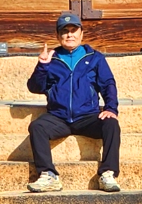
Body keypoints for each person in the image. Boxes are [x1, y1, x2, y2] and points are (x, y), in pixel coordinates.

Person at [26, 12, 121, 193]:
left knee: (111, 124)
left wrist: (110, 108)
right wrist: (42, 66)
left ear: (81, 34)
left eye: (73, 30)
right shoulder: (51, 59)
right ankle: (48, 175)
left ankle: (108, 173)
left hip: (87, 116)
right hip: (58, 117)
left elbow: (108, 84)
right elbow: (35, 87)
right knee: (37, 126)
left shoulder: (94, 57)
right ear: (58, 36)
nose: (70, 35)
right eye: (65, 31)